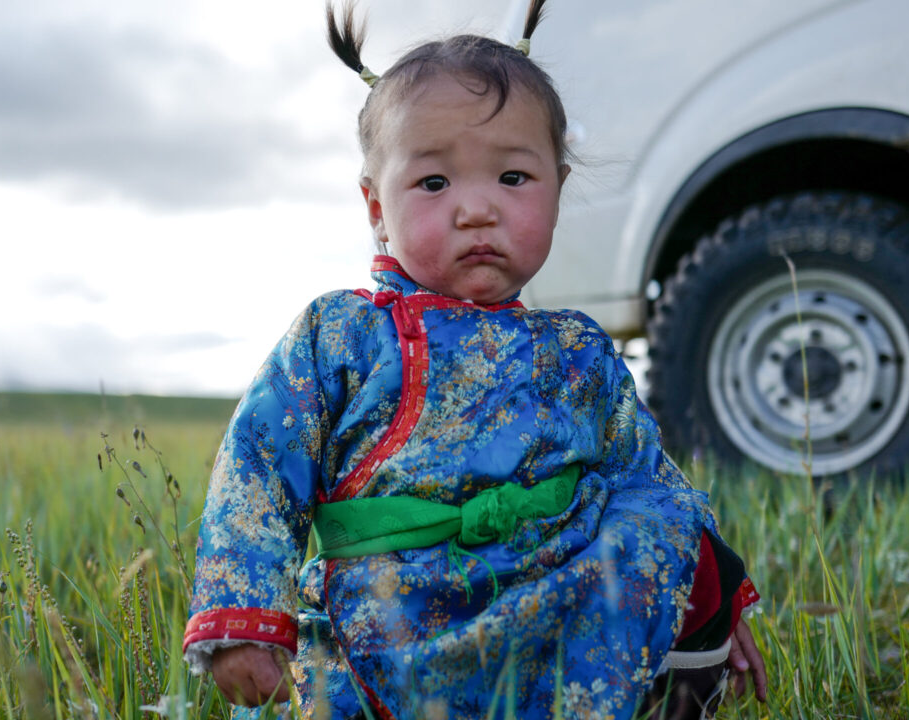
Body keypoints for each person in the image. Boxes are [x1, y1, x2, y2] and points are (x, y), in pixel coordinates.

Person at [182, 2, 768, 718]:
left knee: (675, 532)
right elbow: (257, 466)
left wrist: (712, 589)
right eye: (434, 184)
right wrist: (242, 616)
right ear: (376, 207)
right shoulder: (338, 335)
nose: (476, 210)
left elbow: (648, 476)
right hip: (387, 619)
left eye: (513, 178)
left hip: (558, 604)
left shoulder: (579, 350)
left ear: (558, 185)